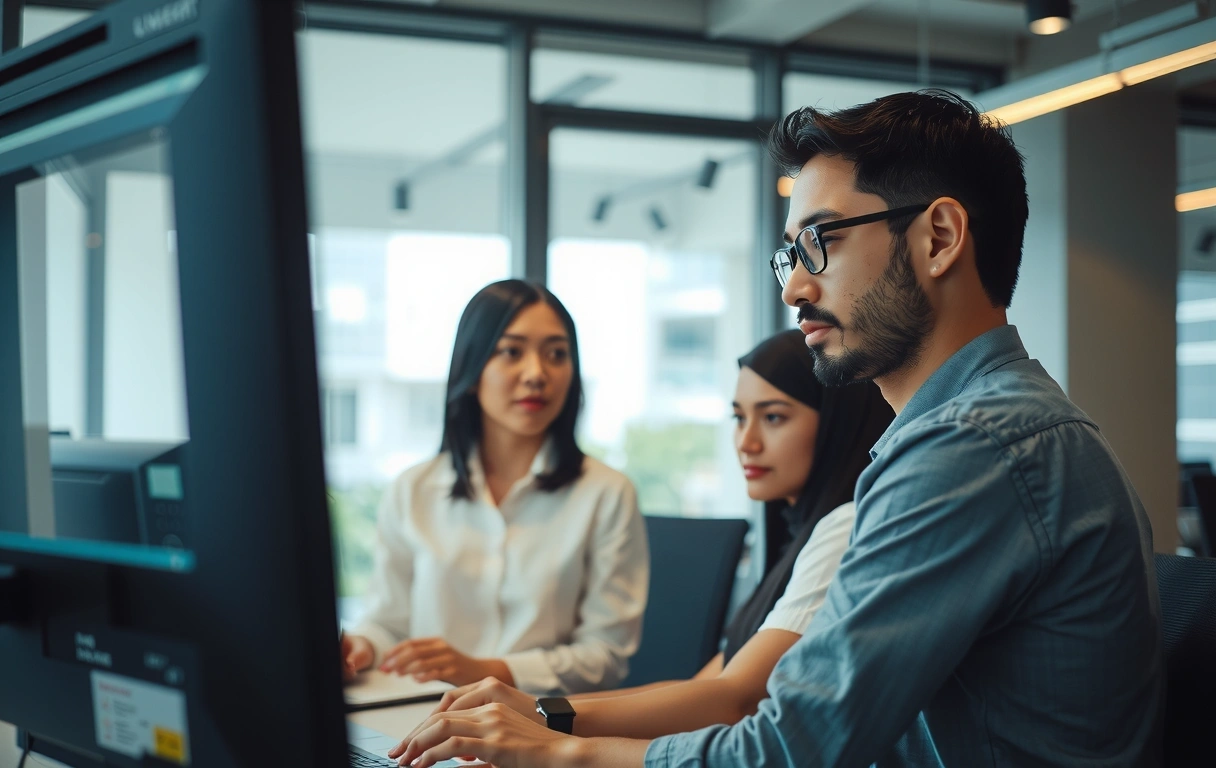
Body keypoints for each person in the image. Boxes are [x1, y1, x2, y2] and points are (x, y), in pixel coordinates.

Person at [388, 90, 1164, 768]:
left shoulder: (972, 447)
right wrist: (547, 721)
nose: (795, 284)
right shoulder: (980, 432)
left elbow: (789, 747)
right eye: (790, 253)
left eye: (820, 241)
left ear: (938, 238)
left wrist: (560, 751)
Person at [394, 329, 891, 742]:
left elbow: (732, 698)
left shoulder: (843, 527)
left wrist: (545, 717)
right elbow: (699, 687)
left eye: (774, 417)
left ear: (836, 426)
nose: (746, 442)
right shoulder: (794, 540)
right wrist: (532, 708)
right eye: (739, 418)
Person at [340, 279, 648, 695]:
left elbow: (605, 657)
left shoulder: (607, 494)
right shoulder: (412, 489)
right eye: (511, 352)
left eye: (556, 354)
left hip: (541, 729)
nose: (537, 374)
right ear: (472, 368)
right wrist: (360, 647)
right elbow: (388, 623)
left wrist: (484, 670)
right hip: (424, 718)